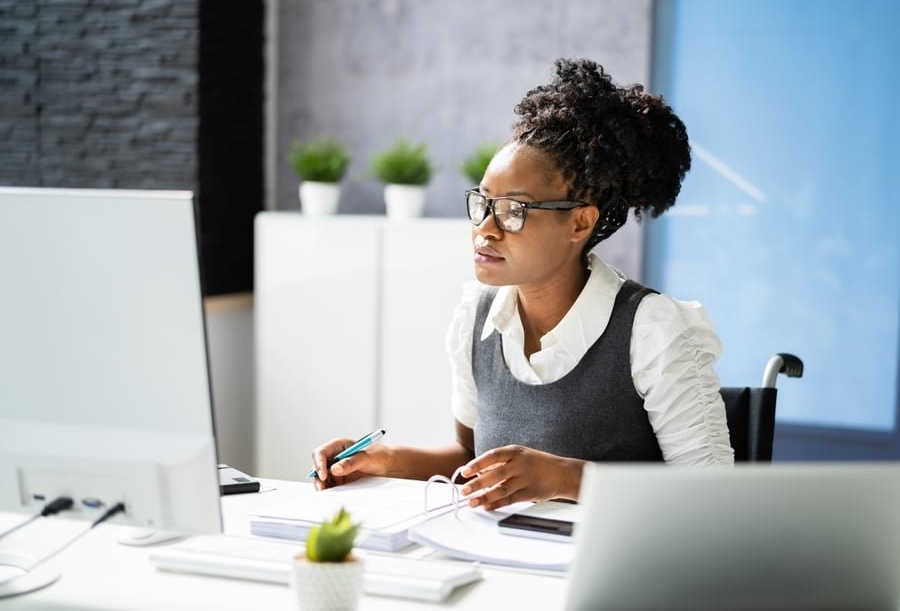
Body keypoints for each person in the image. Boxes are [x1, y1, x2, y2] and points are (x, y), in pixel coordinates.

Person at [311, 58, 733, 510]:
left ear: (580, 223)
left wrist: (568, 478)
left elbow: (713, 499)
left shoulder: (653, 329)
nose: (486, 228)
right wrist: (385, 460)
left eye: (514, 211)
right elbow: (470, 459)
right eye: (483, 203)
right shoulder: (476, 317)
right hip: (505, 565)